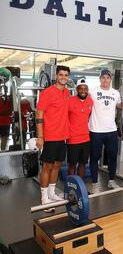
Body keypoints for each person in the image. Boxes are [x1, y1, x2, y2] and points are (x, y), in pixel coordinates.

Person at [35, 65, 70, 210]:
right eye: (60, 75)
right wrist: (40, 136)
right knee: (47, 167)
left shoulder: (67, 92)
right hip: (49, 136)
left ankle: (51, 193)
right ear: (56, 76)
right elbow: (39, 115)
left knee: (57, 165)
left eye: (66, 75)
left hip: (63, 136)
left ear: (68, 77)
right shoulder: (47, 93)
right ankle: (44, 199)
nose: (63, 77)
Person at [89, 69, 121, 193]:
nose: (105, 80)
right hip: (96, 131)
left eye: (107, 78)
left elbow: (120, 106)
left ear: (110, 79)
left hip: (111, 130)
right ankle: (95, 184)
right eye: (103, 77)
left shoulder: (116, 93)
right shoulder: (92, 91)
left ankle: (111, 181)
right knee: (94, 158)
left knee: (112, 156)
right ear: (100, 79)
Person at [67, 78, 93, 178]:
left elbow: (89, 116)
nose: (83, 91)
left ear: (88, 89)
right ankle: (70, 187)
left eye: (85, 88)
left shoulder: (90, 101)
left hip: (86, 138)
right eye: (80, 88)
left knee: (83, 164)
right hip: (73, 139)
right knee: (72, 164)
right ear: (77, 89)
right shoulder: (70, 101)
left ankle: (80, 186)